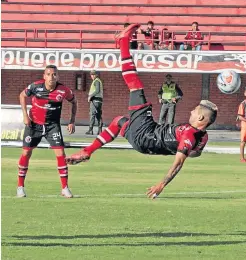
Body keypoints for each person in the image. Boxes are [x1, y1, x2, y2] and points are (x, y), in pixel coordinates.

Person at [66, 24, 218, 199]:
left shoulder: (190, 135)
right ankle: (88, 151)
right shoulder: (200, 136)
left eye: (195, 110)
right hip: (144, 140)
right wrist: (192, 149)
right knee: (119, 121)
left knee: (135, 85)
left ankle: (123, 42)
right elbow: (195, 153)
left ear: (200, 117)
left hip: (146, 134)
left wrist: (161, 184)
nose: (191, 110)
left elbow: (178, 162)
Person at [17, 65, 78, 198]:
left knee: (61, 153)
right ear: (44, 76)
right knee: (26, 152)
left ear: (58, 76)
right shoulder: (35, 86)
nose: (51, 77)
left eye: (54, 74)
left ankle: (65, 188)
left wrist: (72, 121)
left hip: (52, 126)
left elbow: (74, 102)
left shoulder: (63, 90)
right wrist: (25, 116)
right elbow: (22, 95)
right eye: (49, 74)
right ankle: (20, 187)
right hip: (34, 125)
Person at [86, 70, 104, 135]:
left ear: (96, 75)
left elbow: (97, 90)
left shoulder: (96, 81)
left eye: (94, 74)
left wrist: (90, 96)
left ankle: (90, 130)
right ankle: (100, 130)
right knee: (98, 115)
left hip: (95, 100)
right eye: (91, 75)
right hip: (99, 100)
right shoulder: (98, 81)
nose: (92, 76)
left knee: (92, 114)